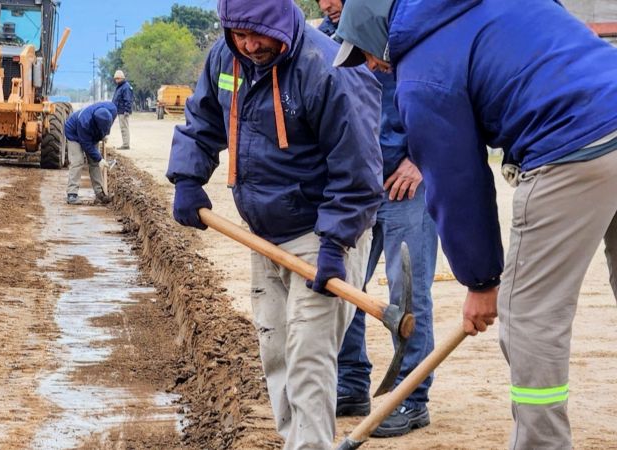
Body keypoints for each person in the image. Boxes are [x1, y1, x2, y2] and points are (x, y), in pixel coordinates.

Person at [334, 0, 617, 448]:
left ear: (380, 29)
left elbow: (458, 181)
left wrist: (482, 281)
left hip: (570, 148)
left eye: (366, 53)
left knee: (530, 317)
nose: (371, 66)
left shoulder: (423, 74)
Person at [166, 0, 384, 447]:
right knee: (277, 352)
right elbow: (203, 117)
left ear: (282, 20)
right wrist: (188, 177)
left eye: (257, 35)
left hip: (324, 233)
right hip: (264, 235)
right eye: (238, 35)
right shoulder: (227, 57)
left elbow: (359, 168)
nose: (249, 45)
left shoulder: (328, 68)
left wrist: (335, 243)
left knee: (308, 358)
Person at [316, 0, 439, 438]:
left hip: (407, 186)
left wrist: (421, 160)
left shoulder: (404, 38)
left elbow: (443, 103)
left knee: (409, 294)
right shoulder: (327, 45)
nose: (326, 3)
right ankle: (350, 385)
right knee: (344, 288)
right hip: (357, 189)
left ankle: (412, 399)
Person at [64, 101, 116, 205]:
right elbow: (86, 144)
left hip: (92, 133)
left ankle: (100, 194)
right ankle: (72, 194)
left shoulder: (112, 109)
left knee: (95, 163)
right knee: (77, 161)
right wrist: (100, 159)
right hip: (74, 132)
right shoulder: (85, 123)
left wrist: (103, 134)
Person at [112, 70, 133, 150]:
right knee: (123, 127)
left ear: (122, 78)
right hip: (120, 110)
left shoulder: (126, 87)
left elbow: (128, 100)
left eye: (118, 79)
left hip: (123, 111)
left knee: (124, 128)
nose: (116, 80)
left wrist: (127, 110)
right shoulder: (120, 86)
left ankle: (126, 144)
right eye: (115, 79)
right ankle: (125, 143)